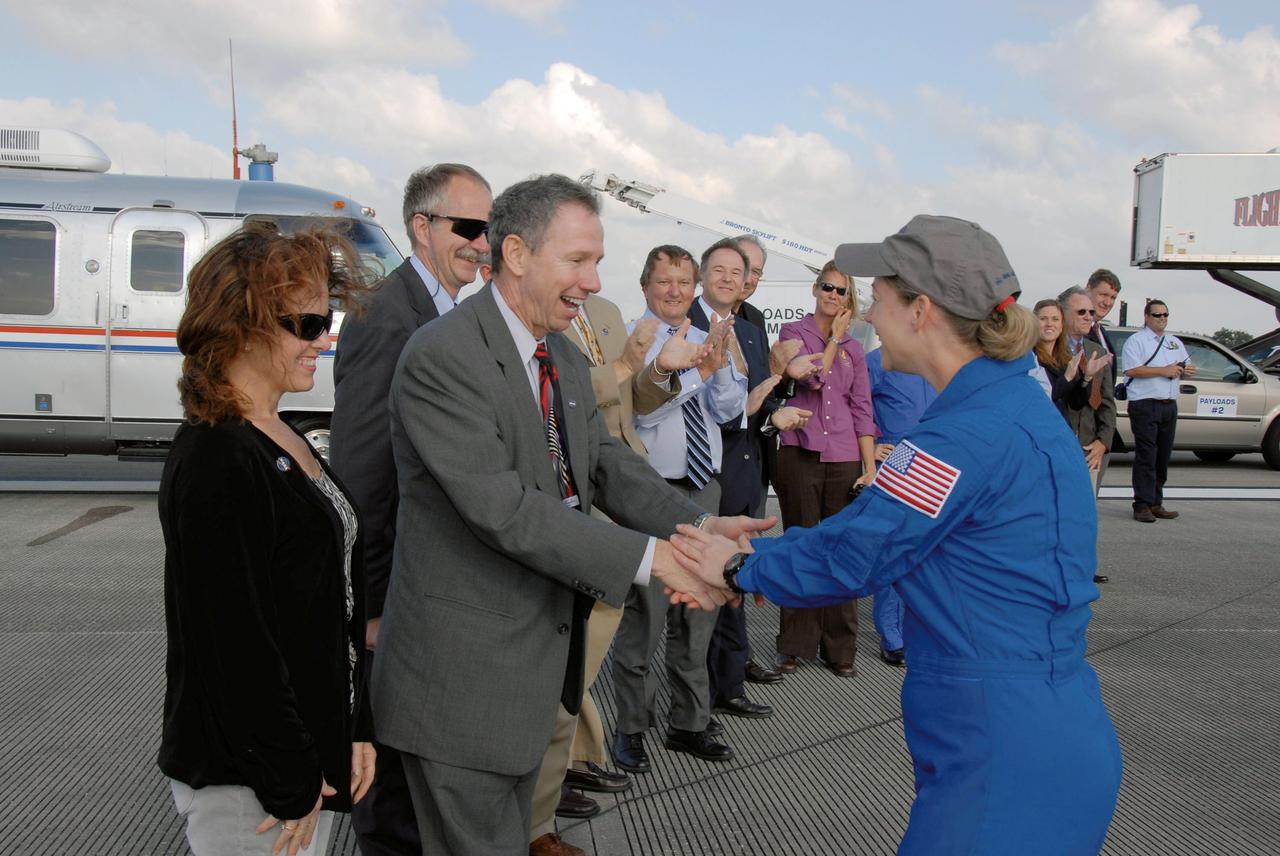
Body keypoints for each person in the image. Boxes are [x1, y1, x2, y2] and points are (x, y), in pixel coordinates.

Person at [672, 215, 1123, 855]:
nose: (866, 318)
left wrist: (737, 568)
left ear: (920, 310)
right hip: (1040, 725)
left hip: (998, 750)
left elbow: (860, 552)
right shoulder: (1010, 407)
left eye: (876, 299)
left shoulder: (958, 438)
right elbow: (868, 528)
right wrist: (751, 553)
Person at [370, 175, 771, 856]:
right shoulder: (444, 357)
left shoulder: (557, 353)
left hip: (533, 670)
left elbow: (605, 463)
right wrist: (658, 560)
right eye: (578, 260)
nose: (592, 281)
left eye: (598, 261)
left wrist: (697, 526)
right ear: (519, 254)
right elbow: (507, 511)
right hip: (463, 688)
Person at [158, 222, 377, 856]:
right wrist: (290, 781)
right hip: (252, 782)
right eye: (306, 325)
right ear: (242, 327)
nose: (323, 338)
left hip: (305, 759)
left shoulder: (280, 433)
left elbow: (329, 605)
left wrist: (350, 732)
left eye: (325, 319)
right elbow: (232, 644)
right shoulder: (217, 456)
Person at [330, 162, 491, 856]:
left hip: (432, 582)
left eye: (490, 228)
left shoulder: (449, 313)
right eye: (469, 227)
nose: (483, 243)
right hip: (391, 589)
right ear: (420, 228)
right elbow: (363, 467)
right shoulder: (386, 316)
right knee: (388, 769)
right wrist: (367, 602)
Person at [527, 292, 697, 856]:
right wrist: (624, 366)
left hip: (615, 485)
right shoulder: (518, 322)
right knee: (565, 651)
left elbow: (629, 406)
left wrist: (659, 373)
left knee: (584, 649)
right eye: (579, 259)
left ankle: (554, 785)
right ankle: (545, 798)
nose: (590, 277)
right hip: (568, 505)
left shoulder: (601, 314)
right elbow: (563, 408)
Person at [610, 244, 748, 772]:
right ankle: (632, 726)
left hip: (703, 490)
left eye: (682, 281)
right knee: (644, 616)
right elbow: (636, 419)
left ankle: (689, 722)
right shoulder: (630, 340)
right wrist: (685, 372)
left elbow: (729, 412)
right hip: (649, 489)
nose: (674, 291)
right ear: (646, 285)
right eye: (663, 281)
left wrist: (718, 369)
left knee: (699, 611)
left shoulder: (708, 339)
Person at [687, 237, 783, 723]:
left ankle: (729, 681)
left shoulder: (749, 328)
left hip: (748, 467)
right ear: (703, 275)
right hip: (708, 469)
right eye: (719, 270)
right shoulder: (685, 323)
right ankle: (699, 695)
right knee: (705, 580)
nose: (731, 279)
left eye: (739, 272)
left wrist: (772, 411)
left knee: (737, 576)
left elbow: (756, 398)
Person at [771, 260, 877, 679]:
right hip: (800, 452)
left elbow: (863, 409)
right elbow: (813, 378)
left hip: (845, 455)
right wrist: (833, 339)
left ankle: (840, 647)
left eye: (841, 291)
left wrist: (870, 468)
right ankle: (795, 644)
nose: (833, 295)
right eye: (827, 287)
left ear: (849, 299)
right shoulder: (793, 334)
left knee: (843, 550)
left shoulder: (856, 349)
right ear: (815, 290)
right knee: (801, 544)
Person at [864, 346, 936, 667]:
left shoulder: (936, 358)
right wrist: (874, 448)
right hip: (899, 461)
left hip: (935, 462)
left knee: (927, 553)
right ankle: (892, 635)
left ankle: (918, 629)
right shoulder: (878, 361)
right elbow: (858, 407)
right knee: (895, 550)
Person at [1120, 299, 1193, 523]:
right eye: (1157, 315)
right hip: (1145, 403)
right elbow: (1131, 369)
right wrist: (1164, 370)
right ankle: (1141, 504)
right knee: (1146, 456)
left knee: (1162, 456)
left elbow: (1185, 364)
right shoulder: (1137, 341)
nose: (1162, 319)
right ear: (1146, 317)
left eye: (1165, 315)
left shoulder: (1174, 342)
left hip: (1168, 404)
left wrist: (1187, 370)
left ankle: (1155, 502)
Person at [1085, 269, 1122, 496]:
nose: (1107, 302)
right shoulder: (1072, 334)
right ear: (1088, 288)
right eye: (1103, 295)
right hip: (1083, 433)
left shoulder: (1101, 333)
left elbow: (1107, 392)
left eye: (1113, 298)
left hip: (1100, 434)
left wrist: (1104, 438)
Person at [1033, 298, 1084, 414]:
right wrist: (1066, 378)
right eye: (1043, 319)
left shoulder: (1066, 359)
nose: (1049, 324)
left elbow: (1076, 403)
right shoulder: (1028, 358)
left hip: (1061, 427)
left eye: (1055, 319)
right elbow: (1042, 399)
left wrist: (1087, 377)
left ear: (1062, 326)